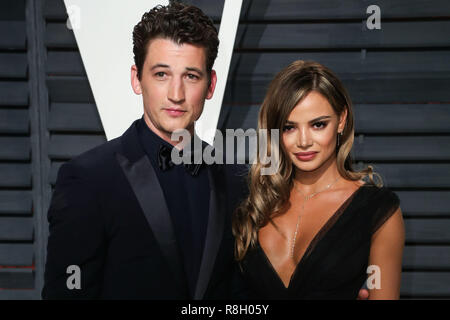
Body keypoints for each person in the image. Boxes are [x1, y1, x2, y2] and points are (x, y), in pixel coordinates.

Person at [42, 2, 247, 299]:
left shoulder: (236, 182)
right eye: (162, 75)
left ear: (210, 84)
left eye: (190, 76)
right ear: (137, 79)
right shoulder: (88, 180)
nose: (176, 95)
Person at [233, 60, 405, 299]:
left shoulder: (376, 211)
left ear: (341, 120)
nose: (303, 141)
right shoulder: (253, 201)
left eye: (318, 124)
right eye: (289, 127)